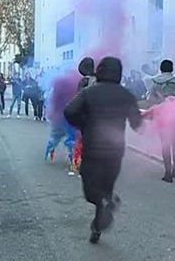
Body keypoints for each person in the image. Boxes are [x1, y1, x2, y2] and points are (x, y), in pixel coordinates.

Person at [64, 56, 143, 244]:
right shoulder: (126, 95)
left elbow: (69, 111)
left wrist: (83, 124)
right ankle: (97, 227)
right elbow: (137, 124)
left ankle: (103, 210)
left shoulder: (89, 92)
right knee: (106, 190)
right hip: (115, 151)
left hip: (93, 150)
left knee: (92, 191)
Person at [148, 59, 175, 183]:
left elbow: (152, 100)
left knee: (165, 145)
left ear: (161, 69)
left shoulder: (156, 83)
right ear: (172, 69)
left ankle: (168, 172)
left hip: (163, 117)